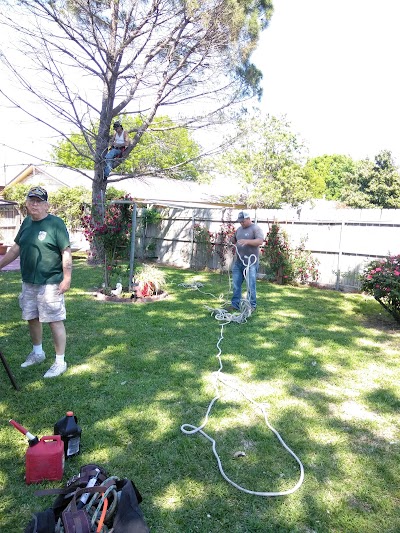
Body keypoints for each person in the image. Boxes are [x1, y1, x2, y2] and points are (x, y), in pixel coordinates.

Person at [0, 186, 72, 378]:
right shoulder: (26, 223)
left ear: (46, 205)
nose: (34, 204)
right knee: (32, 317)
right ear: (26, 203)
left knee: (54, 321)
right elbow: (16, 249)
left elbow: (65, 251)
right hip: (29, 281)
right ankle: (38, 353)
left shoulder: (55, 224)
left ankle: (60, 362)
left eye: (39, 201)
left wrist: (67, 277)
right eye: (31, 200)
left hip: (50, 282)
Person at [230, 210, 264, 311]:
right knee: (236, 285)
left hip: (251, 263)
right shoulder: (239, 229)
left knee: (250, 286)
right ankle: (235, 304)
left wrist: (247, 241)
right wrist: (231, 240)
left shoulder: (256, 228)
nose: (241, 223)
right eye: (240, 222)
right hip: (238, 262)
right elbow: (234, 239)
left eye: (243, 221)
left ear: (249, 219)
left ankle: (251, 306)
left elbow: (260, 241)